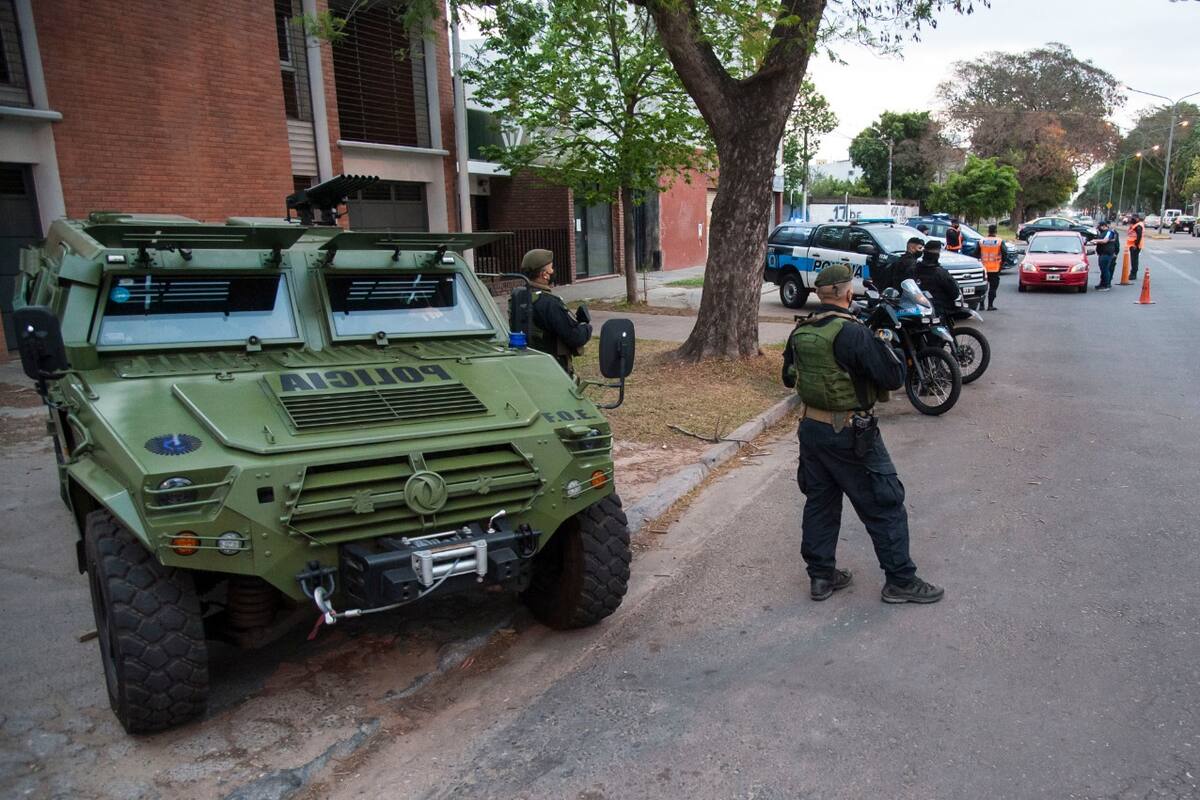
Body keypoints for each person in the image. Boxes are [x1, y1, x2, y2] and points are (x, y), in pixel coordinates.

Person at [782, 264, 944, 604]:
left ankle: (821, 577)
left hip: (811, 429)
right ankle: (900, 580)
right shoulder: (854, 332)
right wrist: (889, 346)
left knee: (821, 502)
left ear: (819, 294)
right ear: (847, 293)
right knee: (885, 502)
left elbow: (788, 377)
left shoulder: (801, 331)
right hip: (851, 433)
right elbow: (892, 378)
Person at [523, 249, 592, 373]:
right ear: (544, 274)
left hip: (528, 364)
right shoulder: (549, 303)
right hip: (553, 369)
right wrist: (586, 327)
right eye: (551, 268)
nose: (553, 271)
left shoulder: (519, 297)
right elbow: (574, 337)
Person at [913, 240, 961, 317]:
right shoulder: (941, 273)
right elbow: (954, 293)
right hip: (938, 311)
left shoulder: (914, 269)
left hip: (918, 310)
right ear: (937, 254)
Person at [978, 224, 1004, 309]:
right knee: (993, 288)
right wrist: (1001, 264)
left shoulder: (981, 241)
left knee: (982, 287)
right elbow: (1005, 254)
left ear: (988, 231)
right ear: (996, 231)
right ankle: (990, 305)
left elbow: (975, 253)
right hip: (995, 269)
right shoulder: (999, 241)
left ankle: (981, 305)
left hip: (983, 268)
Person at [1094, 220, 1118, 291]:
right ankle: (1102, 284)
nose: (1098, 228)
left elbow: (1105, 240)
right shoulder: (1103, 232)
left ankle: (1106, 285)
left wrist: (1095, 240)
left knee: (1105, 270)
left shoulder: (1109, 232)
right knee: (1103, 270)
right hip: (1102, 253)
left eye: (1099, 226)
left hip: (1106, 254)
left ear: (1104, 226)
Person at [1126, 214, 1145, 281]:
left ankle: (1133, 274)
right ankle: (1133, 273)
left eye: (1134, 218)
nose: (1132, 219)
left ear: (1137, 218)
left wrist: (1136, 245)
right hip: (1133, 244)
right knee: (1134, 259)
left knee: (1134, 260)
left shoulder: (1138, 226)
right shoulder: (1135, 225)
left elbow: (1139, 236)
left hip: (1135, 245)